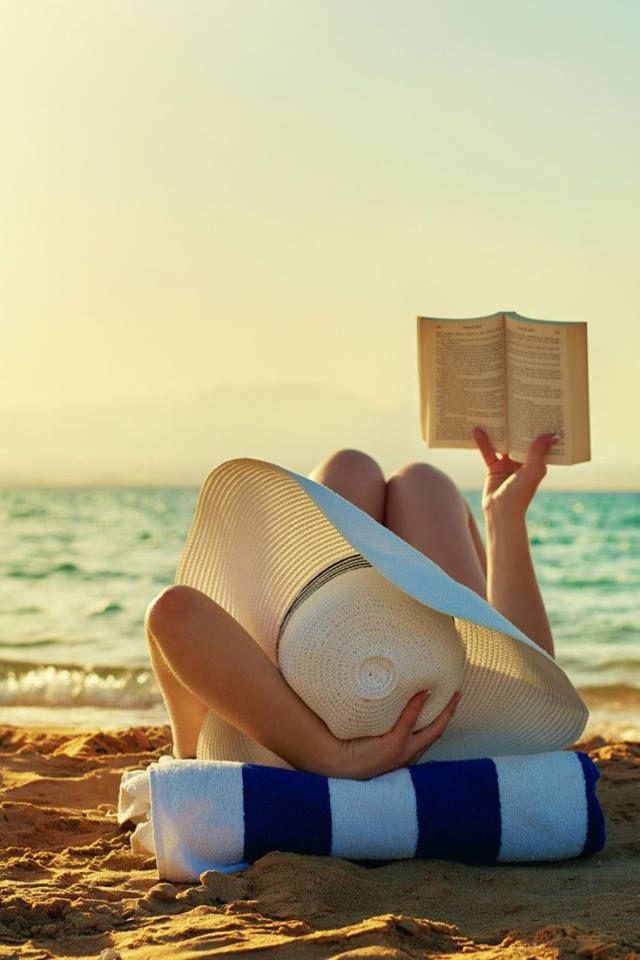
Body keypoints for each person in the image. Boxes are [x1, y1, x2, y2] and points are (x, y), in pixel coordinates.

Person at [145, 427, 560, 779]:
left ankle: (189, 746)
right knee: (421, 481)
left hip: (303, 722)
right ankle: (191, 746)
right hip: (445, 722)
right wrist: (504, 514)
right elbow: (538, 683)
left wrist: (333, 759)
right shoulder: (462, 729)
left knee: (354, 466)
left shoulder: (268, 724)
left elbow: (173, 611)